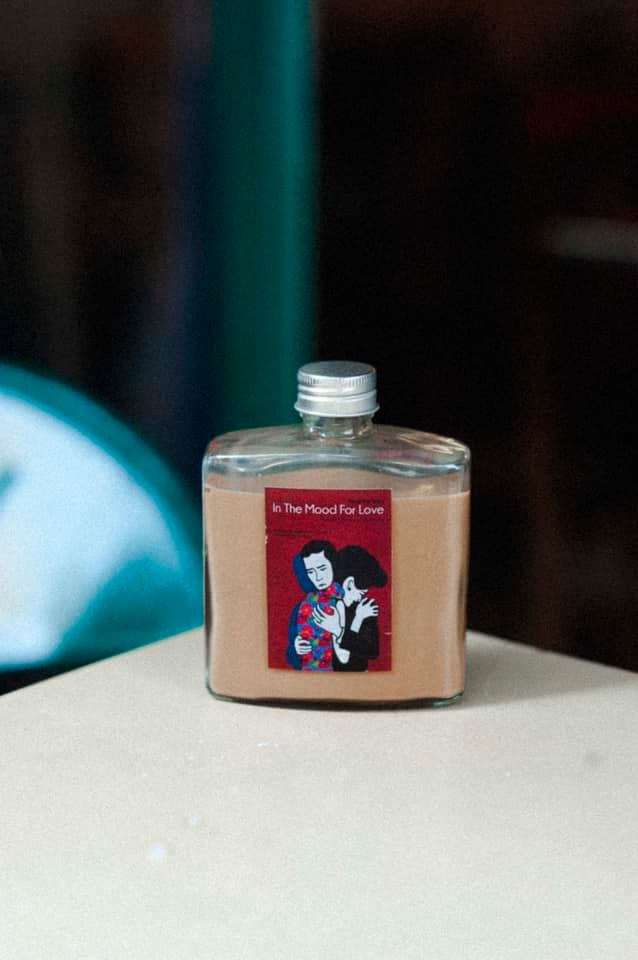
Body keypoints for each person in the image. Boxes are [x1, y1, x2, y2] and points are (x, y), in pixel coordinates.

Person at [316, 545, 387, 672]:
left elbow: (372, 651)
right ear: (349, 584)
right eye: (361, 593)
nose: (361, 598)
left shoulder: (366, 609)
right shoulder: (325, 605)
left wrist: (340, 629)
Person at [286, 540, 344, 671]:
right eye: (311, 571)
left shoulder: (347, 599)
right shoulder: (301, 608)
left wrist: (337, 630)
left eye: (322, 569)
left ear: (333, 565)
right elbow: (291, 658)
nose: (317, 577)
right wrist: (296, 648)